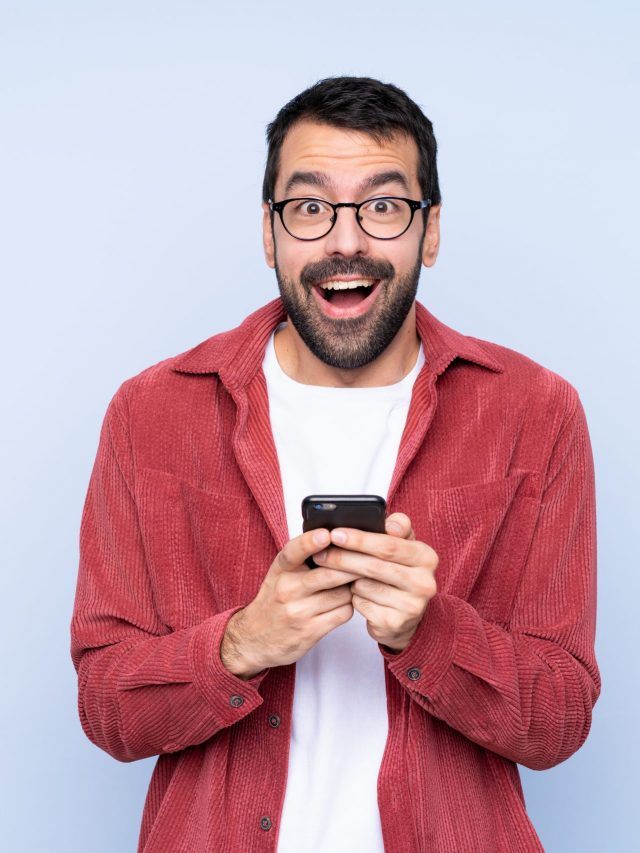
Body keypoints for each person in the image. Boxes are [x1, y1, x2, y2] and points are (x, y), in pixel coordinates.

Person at [70, 76, 600, 853]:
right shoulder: (150, 414)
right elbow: (106, 707)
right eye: (310, 207)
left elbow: (560, 720)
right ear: (269, 232)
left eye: (383, 206)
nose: (345, 241)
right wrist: (241, 644)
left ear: (431, 230)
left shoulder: (537, 412)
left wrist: (431, 630)